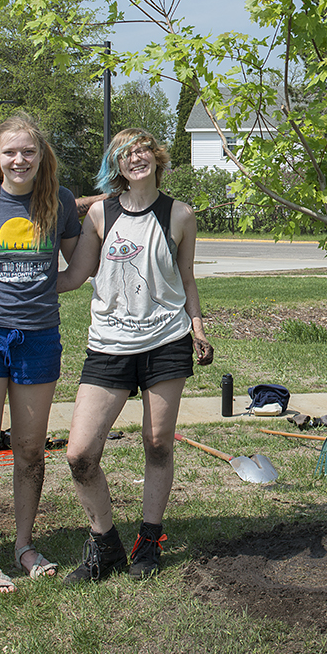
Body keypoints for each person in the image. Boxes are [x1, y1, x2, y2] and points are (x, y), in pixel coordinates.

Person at [56, 128, 214, 583]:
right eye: (125, 154)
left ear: (157, 158)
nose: (136, 158)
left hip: (166, 341)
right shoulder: (101, 215)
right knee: (80, 454)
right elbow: (76, 275)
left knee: (158, 444)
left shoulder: (179, 214)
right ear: (117, 165)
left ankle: (149, 539)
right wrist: (23, 281)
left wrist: (198, 329)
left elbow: (186, 279)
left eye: (143, 150)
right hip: (109, 345)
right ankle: (105, 544)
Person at [0, 114, 84, 592]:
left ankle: (24, 545)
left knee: (30, 450)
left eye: (28, 151)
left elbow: (78, 264)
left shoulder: (60, 201)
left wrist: (54, 285)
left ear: (41, 156)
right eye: (10, 151)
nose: (19, 159)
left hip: (38, 337)